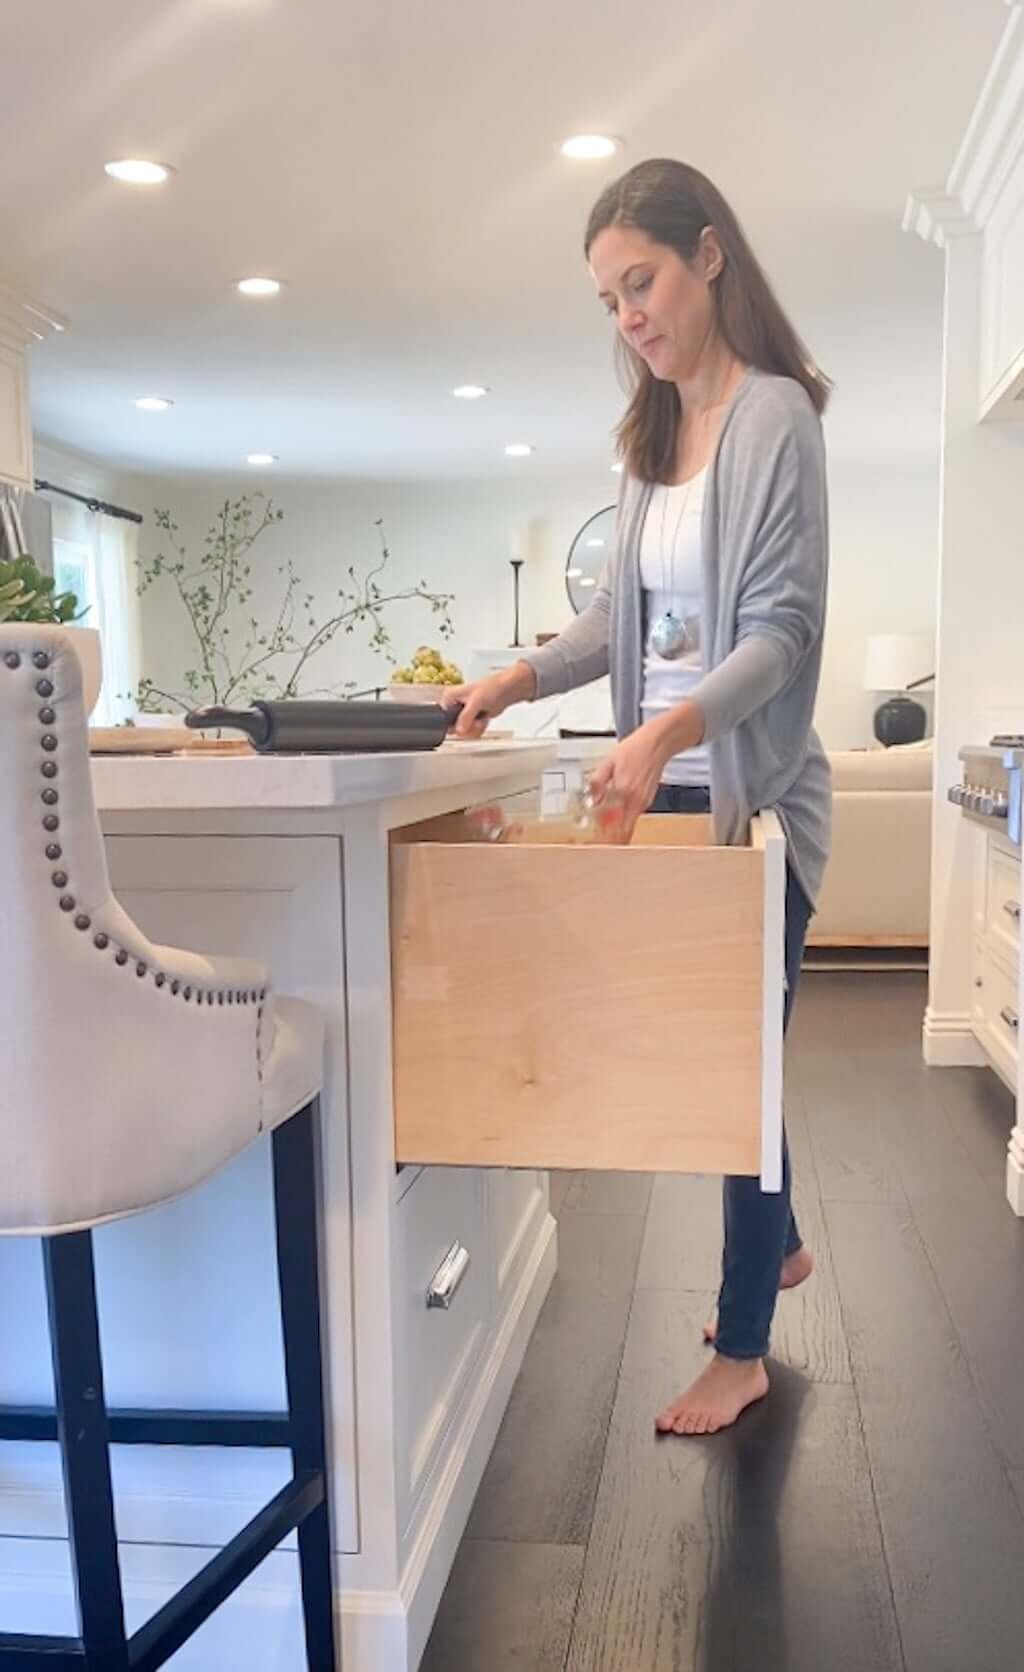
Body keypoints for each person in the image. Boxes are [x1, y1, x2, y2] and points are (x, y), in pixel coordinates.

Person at [443, 158, 831, 1437]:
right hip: (667, 784)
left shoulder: (774, 416)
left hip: (751, 797)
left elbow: (777, 632)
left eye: (643, 283)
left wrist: (665, 727)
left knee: (727, 1066)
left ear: (708, 256)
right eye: (611, 301)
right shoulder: (653, 438)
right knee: (714, 1050)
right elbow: (622, 616)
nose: (631, 319)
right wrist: (520, 677)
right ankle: (771, 1244)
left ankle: (746, 1346)